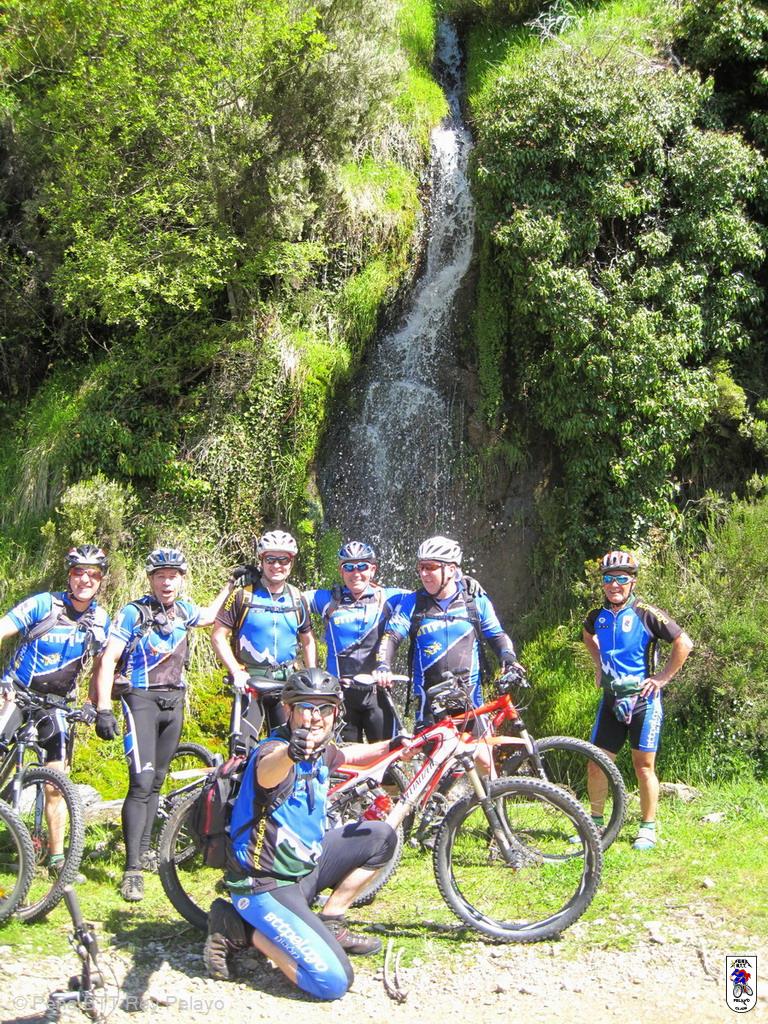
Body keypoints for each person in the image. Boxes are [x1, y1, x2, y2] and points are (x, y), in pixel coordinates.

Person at [203, 667, 402, 1001]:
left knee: (381, 837)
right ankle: (241, 929)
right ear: (288, 709)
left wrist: (393, 746)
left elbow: (349, 754)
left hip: (303, 870)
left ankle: (331, 919)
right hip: (264, 884)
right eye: (306, 707)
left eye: (324, 708)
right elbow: (268, 772)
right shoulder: (274, 750)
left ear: (335, 712)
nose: (315, 717)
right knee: (332, 982)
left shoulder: (322, 748)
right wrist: (291, 753)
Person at [93, 547, 236, 901]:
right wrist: (103, 708)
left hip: (175, 702)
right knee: (141, 782)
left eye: (173, 576)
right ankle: (132, 870)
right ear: (151, 579)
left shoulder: (184, 610)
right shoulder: (133, 612)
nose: (167, 582)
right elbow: (109, 659)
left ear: (181, 580)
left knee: (157, 780)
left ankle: (144, 852)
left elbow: (209, 616)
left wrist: (230, 585)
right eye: (161, 576)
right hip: (141, 700)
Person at [0, 545, 110, 872]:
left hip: (56, 705)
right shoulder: (44, 604)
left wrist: (92, 704)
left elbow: (101, 665)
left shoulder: (99, 619)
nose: (85, 580)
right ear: (69, 576)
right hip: (17, 693)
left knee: (56, 784)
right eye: (78, 572)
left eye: (93, 574)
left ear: (101, 579)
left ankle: (58, 859)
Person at [582, 550, 693, 851]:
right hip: (610, 701)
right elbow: (587, 636)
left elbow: (684, 642)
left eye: (621, 578)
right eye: (608, 579)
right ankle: (594, 824)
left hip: (643, 701)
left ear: (633, 581)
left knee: (643, 766)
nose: (614, 585)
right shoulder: (596, 616)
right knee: (596, 764)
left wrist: (662, 678)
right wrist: (598, 665)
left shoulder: (646, 613)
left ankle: (647, 827)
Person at [374, 536, 518, 730]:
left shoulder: (475, 600)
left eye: (430, 567)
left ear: (451, 569)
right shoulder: (412, 603)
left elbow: (497, 636)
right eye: (420, 567)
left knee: (484, 750)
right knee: (437, 750)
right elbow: (391, 637)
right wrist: (383, 665)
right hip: (430, 705)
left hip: (471, 701)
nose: (424, 573)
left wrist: (509, 659)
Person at [211, 530, 316, 753]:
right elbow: (218, 636)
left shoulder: (297, 598)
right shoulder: (243, 595)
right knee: (241, 751)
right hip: (251, 683)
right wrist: (236, 671)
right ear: (261, 561)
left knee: (290, 751)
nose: (277, 565)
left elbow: (308, 641)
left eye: (283, 559)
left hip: (286, 683)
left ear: (291, 562)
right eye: (271, 559)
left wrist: (313, 677)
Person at [304, 541, 408, 743]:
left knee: (386, 757)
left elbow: (428, 594)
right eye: (349, 567)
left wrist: (459, 582)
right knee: (344, 758)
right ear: (341, 571)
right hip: (340, 695)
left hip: (377, 693)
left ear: (373, 570)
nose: (356, 573)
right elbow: (288, 596)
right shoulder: (329, 600)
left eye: (362, 566)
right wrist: (258, 582)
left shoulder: (388, 597)